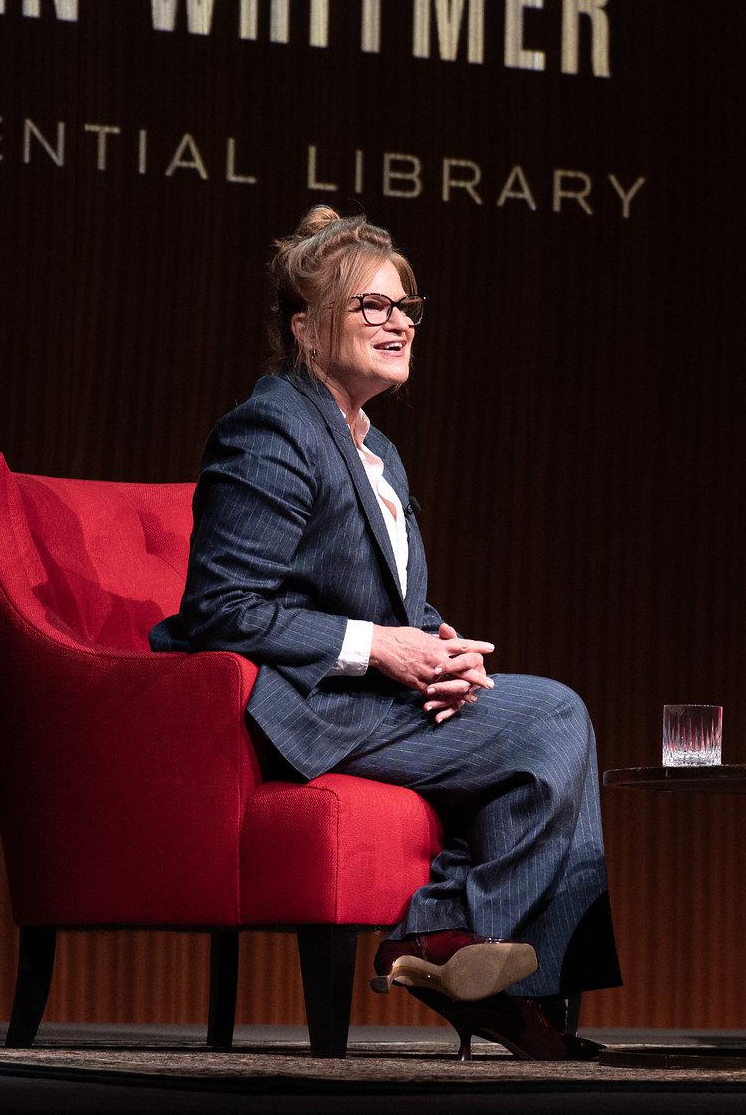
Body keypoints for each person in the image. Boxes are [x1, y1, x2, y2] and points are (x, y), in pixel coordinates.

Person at [149, 206, 620, 1060]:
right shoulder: (271, 430)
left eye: (404, 306)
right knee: (552, 716)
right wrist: (382, 647)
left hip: (368, 694)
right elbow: (223, 608)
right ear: (303, 327)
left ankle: (473, 963)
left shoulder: (377, 449)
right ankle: (445, 947)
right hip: (305, 706)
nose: (397, 322)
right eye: (370, 306)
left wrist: (440, 647)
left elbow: (386, 598)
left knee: (539, 724)